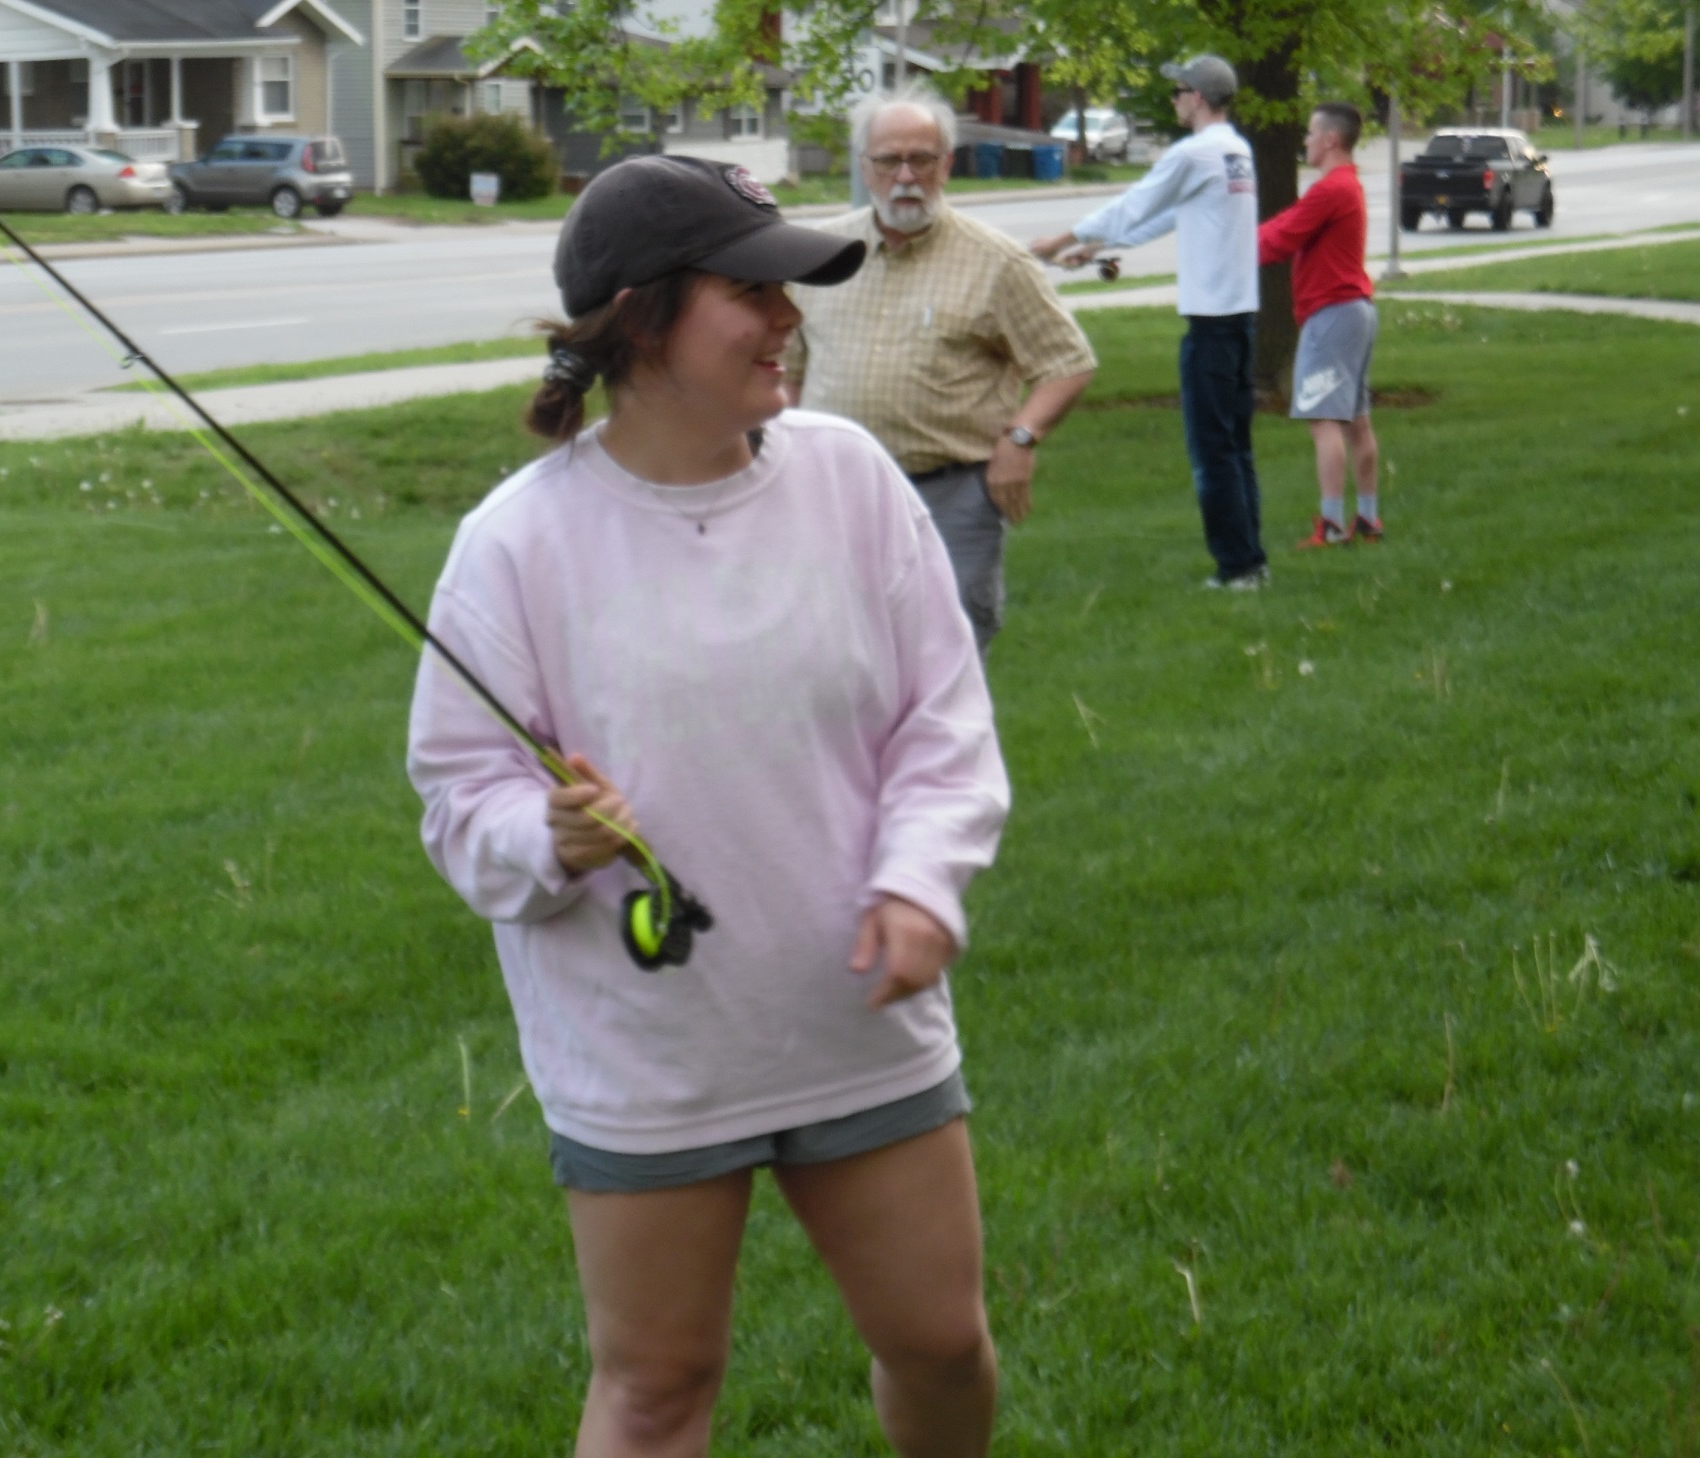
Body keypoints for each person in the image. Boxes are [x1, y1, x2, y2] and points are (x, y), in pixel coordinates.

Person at [407, 154, 1011, 1458]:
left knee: (942, 1343)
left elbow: (943, 721)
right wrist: (542, 835)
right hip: (649, 1053)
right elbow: (460, 798)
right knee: (658, 1389)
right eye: (753, 291)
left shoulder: (851, 480)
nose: (788, 317)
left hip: (856, 1018)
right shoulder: (515, 545)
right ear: (642, 321)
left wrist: (921, 879)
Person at [783, 83, 1097, 653]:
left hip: (951, 496)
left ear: (947, 165)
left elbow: (1067, 363)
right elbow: (789, 375)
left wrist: (1021, 439)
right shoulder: (819, 255)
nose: (906, 176)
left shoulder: (998, 262)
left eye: (922, 159)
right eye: (889, 160)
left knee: (948, 656)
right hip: (836, 495)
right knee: (839, 650)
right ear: (864, 166)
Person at [1032, 55, 1269, 591]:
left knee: (1212, 454)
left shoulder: (1195, 152)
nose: (1174, 101)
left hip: (1211, 326)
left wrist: (1063, 239)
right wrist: (1100, 246)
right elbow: (1171, 214)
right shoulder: (1235, 151)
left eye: (1178, 92)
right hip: (1240, 321)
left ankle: (1238, 568)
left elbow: (1135, 202)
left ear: (1198, 98)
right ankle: (1251, 560)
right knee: (1236, 448)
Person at [1257, 102, 1384, 547]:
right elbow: (1289, 225)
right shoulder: (1347, 185)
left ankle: (1331, 526)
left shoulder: (1332, 189)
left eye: (1311, 133)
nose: (1305, 141)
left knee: (1324, 419)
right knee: (1357, 420)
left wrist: (1231, 246)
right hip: (1356, 311)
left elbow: (1280, 238)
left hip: (1332, 314)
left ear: (1331, 139)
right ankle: (1367, 518)